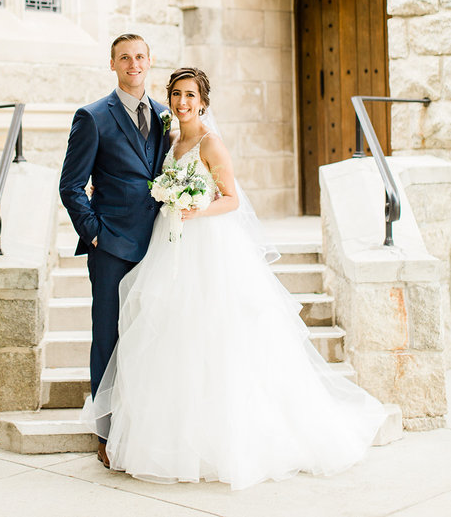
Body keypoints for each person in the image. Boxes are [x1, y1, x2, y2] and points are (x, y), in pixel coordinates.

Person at [83, 67, 388, 490]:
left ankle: (222, 439)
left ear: (203, 100)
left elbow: (231, 199)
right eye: (176, 95)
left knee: (214, 337)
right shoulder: (170, 140)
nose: (182, 102)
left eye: (190, 95)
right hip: (167, 246)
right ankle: (168, 432)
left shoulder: (212, 143)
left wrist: (194, 208)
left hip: (206, 246)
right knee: (170, 336)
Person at [59, 34, 170, 468]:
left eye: (140, 56)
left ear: (150, 61)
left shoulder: (165, 116)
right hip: (111, 247)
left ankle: (146, 423)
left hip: (159, 243)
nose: (134, 64)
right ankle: (105, 433)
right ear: (113, 64)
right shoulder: (92, 117)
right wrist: (94, 234)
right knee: (108, 335)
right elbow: (71, 186)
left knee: (153, 336)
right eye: (125, 58)